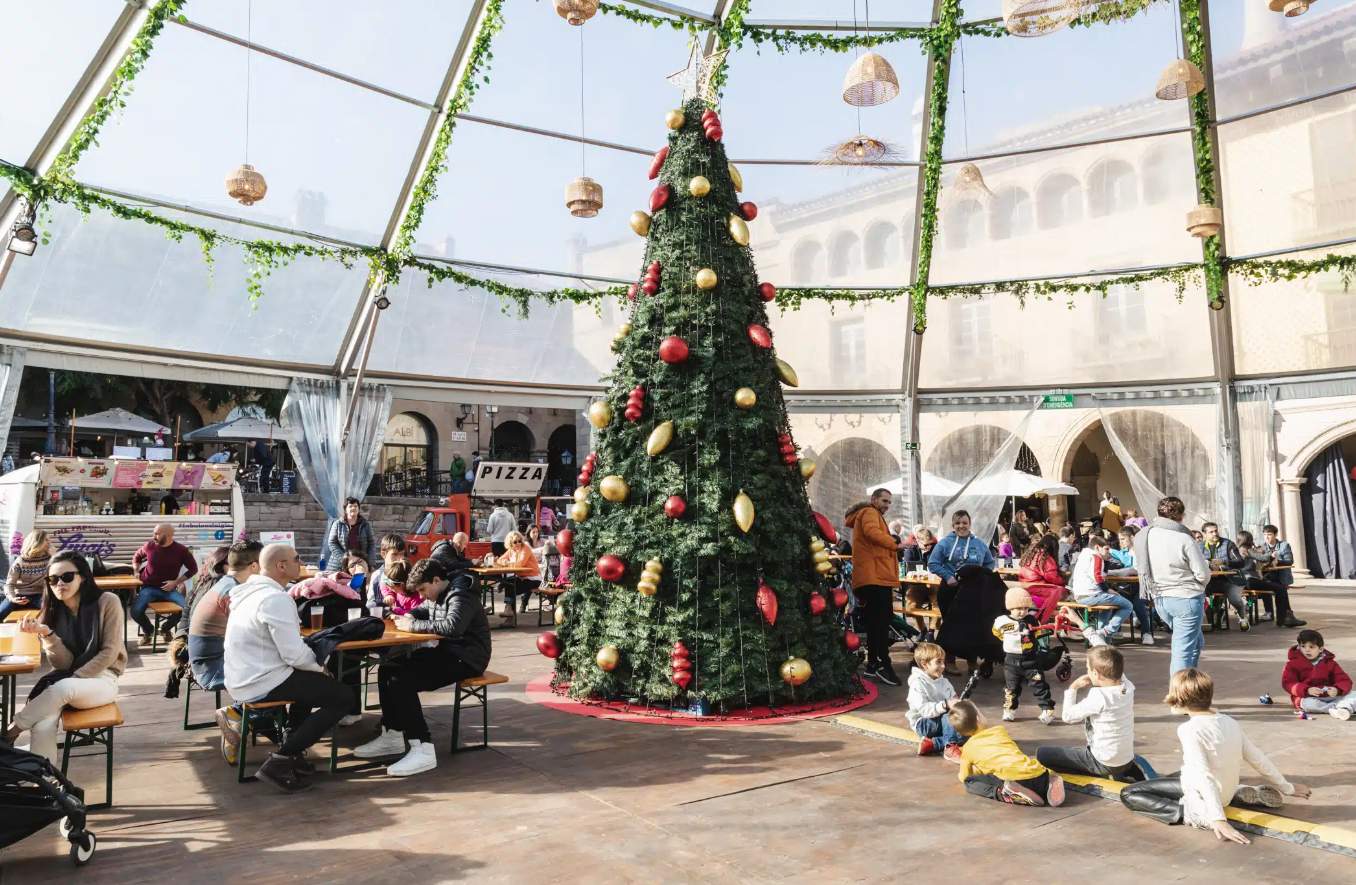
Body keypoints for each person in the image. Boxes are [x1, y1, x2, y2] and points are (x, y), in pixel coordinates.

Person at [1120, 668, 1310, 843]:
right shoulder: (1229, 721)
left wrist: (1217, 819)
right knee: (1175, 777)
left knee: (1129, 793)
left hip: (1205, 793)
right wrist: (1287, 787)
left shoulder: (1189, 729)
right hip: (1225, 788)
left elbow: (1204, 774)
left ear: (1179, 699)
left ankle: (1189, 812)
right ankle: (1236, 792)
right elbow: (1257, 758)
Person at [223, 543, 351, 793]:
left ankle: (293, 753)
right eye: (297, 558)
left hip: (242, 677)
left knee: (310, 683)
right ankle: (282, 759)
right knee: (343, 697)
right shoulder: (275, 598)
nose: (301, 562)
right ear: (281, 566)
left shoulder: (247, 593)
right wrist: (320, 668)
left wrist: (313, 670)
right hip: (260, 681)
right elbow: (293, 654)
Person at [354, 557, 492, 777]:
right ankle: (392, 734)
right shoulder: (439, 591)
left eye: (423, 589)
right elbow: (423, 608)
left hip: (468, 659)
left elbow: (453, 627)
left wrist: (413, 625)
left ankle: (422, 747)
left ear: (436, 581)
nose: (421, 595)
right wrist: (410, 615)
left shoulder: (461, 594)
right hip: (449, 652)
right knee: (388, 667)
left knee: (403, 680)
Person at [3, 552, 124, 763]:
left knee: (62, 687)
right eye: (52, 579)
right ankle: (43, 783)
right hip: (65, 680)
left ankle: (10, 732)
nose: (59, 583)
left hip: (103, 679)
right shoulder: (52, 611)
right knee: (42, 725)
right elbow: (63, 664)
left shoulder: (107, 602)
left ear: (83, 577)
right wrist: (47, 634)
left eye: (67, 577)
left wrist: (74, 679)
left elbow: (109, 652)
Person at [1037, 646, 1144, 782]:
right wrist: (1082, 625)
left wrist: (1073, 687)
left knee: (1042, 754)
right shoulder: (1127, 686)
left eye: (1087, 668)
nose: (1087, 671)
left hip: (1103, 762)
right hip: (1126, 758)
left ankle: (1100, 774)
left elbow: (1068, 716)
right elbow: (1106, 651)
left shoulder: (1099, 696)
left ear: (1095, 673)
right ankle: (1118, 769)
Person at [1134, 497, 1210, 675]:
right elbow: (1203, 574)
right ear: (1182, 516)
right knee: (1182, 650)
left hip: (1160, 598)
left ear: (1157, 514)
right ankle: (1179, 697)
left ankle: (1191, 682)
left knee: (1194, 642)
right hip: (1186, 597)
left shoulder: (1144, 535)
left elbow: (1140, 566)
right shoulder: (1184, 538)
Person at [950, 700, 1065, 807]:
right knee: (1028, 767)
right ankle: (1049, 783)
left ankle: (1004, 793)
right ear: (979, 719)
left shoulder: (968, 749)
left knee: (969, 782)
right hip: (1039, 775)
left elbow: (965, 776)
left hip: (1015, 780)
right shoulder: (1000, 730)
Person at [844, 488, 903, 686]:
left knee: (873, 624)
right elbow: (872, 532)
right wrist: (895, 544)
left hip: (869, 578)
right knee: (881, 622)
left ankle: (872, 665)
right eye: (884, 501)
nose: (887, 505)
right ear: (874, 499)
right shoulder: (870, 512)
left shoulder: (865, 514)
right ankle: (883, 666)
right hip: (876, 577)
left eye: (889, 502)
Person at [187, 541, 262, 692]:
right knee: (280, 672)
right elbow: (254, 633)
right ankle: (243, 711)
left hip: (208, 663)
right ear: (254, 566)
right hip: (213, 671)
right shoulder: (233, 592)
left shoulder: (225, 583)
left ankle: (250, 711)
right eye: (264, 564)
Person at [992, 587, 1055, 725]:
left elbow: (1037, 633)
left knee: (1039, 685)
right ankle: (1009, 709)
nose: (1022, 612)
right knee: (1011, 688)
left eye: (1026, 608)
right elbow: (996, 632)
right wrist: (1007, 641)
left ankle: (1047, 709)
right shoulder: (1001, 621)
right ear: (1009, 607)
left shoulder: (1032, 620)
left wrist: (1029, 643)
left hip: (1031, 661)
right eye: (1018, 608)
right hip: (1010, 661)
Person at [130, 523, 198, 648]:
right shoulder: (149, 546)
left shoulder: (181, 550)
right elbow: (137, 557)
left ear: (168, 535)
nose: (154, 536)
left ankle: (165, 629)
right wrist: (136, 571)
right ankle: (149, 631)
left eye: (157, 534)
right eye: (154, 533)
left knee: (185, 610)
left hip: (170, 590)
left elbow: (193, 569)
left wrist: (175, 582)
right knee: (135, 611)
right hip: (149, 588)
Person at [1070, 535, 1133, 647]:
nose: (1109, 552)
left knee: (1107, 608)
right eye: (1107, 549)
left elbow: (1101, 573)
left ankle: (1101, 642)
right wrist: (1108, 589)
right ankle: (1105, 632)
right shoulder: (1096, 557)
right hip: (1091, 594)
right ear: (1097, 547)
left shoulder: (1084, 555)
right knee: (1128, 605)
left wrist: (1107, 561)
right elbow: (1098, 576)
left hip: (1081, 595)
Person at [906, 642, 964, 761]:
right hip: (924, 724)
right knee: (950, 715)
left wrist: (961, 704)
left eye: (943, 661)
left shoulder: (944, 682)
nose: (943, 666)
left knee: (969, 731)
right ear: (924, 664)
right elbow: (925, 711)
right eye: (938, 662)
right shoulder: (917, 683)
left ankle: (934, 743)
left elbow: (953, 699)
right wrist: (947, 704)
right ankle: (949, 747)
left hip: (942, 721)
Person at [1238, 528, 1305, 628]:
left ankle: (1278, 615)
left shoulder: (1237, 550)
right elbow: (1264, 558)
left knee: (1273, 586)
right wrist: (1270, 554)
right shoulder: (1248, 549)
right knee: (1281, 589)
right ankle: (1283, 619)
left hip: (1242, 581)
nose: (1266, 537)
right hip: (1250, 580)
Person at [1282, 629, 1354, 720]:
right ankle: (1341, 709)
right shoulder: (1292, 664)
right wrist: (1306, 690)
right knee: (1309, 704)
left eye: (1312, 647)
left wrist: (1337, 689)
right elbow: (1288, 683)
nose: (1307, 650)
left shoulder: (1330, 663)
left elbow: (1344, 679)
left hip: (1329, 696)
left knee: (1353, 695)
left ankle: (1341, 708)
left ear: (1320, 649)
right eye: (1303, 646)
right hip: (1306, 697)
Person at [1198, 522, 1250, 632]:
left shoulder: (1228, 544)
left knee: (1235, 599)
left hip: (1231, 580)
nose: (1214, 534)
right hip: (1209, 581)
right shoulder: (1200, 547)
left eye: (1216, 531)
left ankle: (1242, 616)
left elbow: (1240, 562)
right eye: (1211, 532)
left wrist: (1225, 562)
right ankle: (1212, 616)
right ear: (1205, 534)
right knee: (1198, 596)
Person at [2, 529, 51, 621]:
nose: (49, 543)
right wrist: (13, 598)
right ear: (37, 542)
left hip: (40, 595)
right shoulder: (20, 561)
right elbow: (9, 584)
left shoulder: (50, 558)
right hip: (20, 595)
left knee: (50, 615)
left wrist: (55, 556)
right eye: (46, 540)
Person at [1018, 533, 1065, 624]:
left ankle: (1038, 612)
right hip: (1037, 588)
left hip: (1026, 587)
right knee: (1064, 592)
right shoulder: (1045, 557)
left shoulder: (1030, 553)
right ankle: (1062, 622)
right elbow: (1053, 578)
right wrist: (1063, 580)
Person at [497, 530, 541, 625]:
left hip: (533, 578)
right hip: (522, 577)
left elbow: (521, 563)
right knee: (510, 584)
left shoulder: (525, 548)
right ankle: (509, 614)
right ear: (510, 543)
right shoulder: (511, 550)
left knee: (510, 586)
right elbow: (500, 560)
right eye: (515, 542)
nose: (518, 543)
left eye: (519, 541)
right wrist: (505, 562)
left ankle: (509, 615)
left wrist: (507, 563)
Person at [326, 496, 376, 569]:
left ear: (359, 509)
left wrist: (371, 563)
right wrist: (344, 559)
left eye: (355, 506)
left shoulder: (365, 524)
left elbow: (371, 544)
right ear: (346, 510)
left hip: (360, 563)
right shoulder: (337, 524)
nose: (353, 508)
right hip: (339, 564)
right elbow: (332, 543)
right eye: (350, 506)